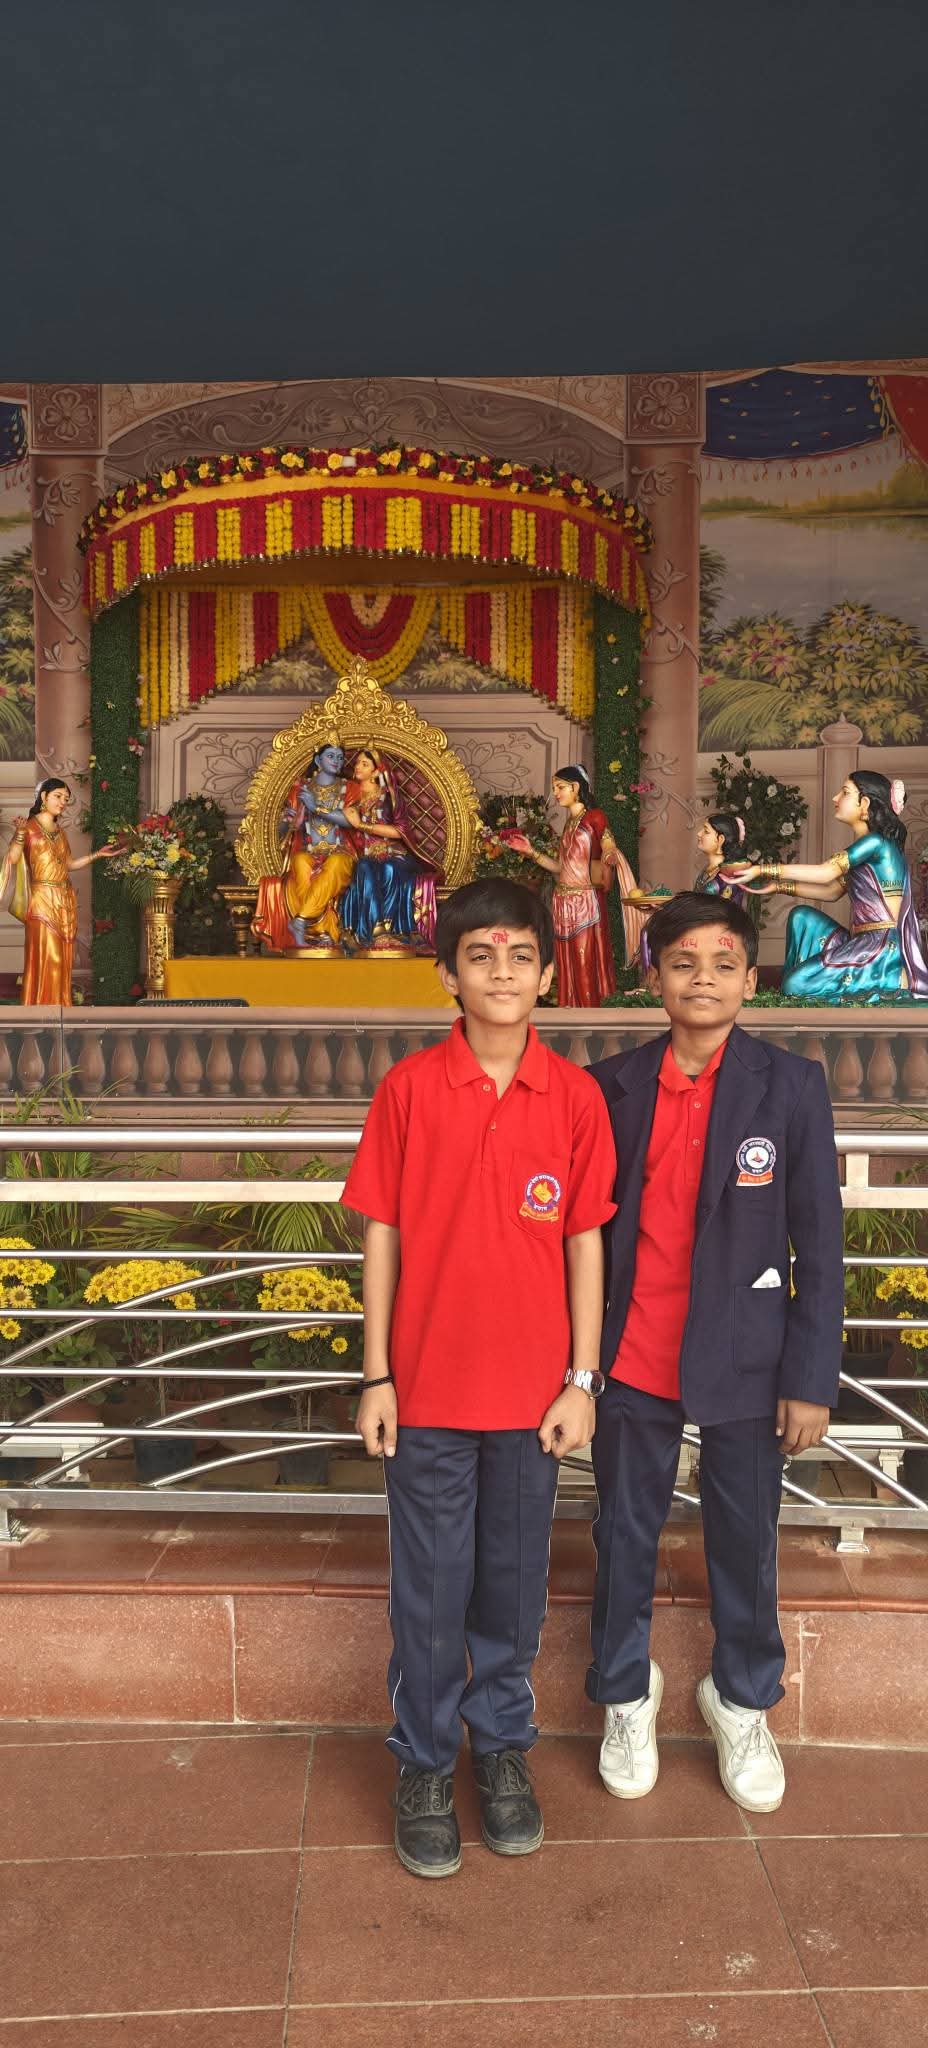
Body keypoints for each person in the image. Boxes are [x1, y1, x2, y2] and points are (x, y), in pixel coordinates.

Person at [341, 876, 617, 1877]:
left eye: (520, 955)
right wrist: (377, 1375)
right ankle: (422, 1762)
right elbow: (382, 1234)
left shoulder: (575, 1097)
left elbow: (585, 1242)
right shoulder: (410, 1090)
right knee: (428, 1592)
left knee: (510, 1588)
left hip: (533, 1401)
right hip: (425, 1395)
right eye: (480, 955)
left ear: (547, 974)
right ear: (448, 975)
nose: (502, 972)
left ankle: (500, 1749)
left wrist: (581, 1379)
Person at [587, 890, 843, 1814]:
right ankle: (625, 1693)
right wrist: (577, 1365)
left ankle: (741, 1700)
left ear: (750, 979)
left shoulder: (791, 1085)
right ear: (653, 975)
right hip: (631, 1353)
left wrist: (810, 1379)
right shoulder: (610, 1086)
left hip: (748, 1359)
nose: (703, 979)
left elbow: (819, 1242)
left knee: (745, 1538)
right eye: (684, 962)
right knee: (623, 1533)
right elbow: (583, 1233)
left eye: (724, 963)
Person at [728, 771, 928, 1002]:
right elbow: (832, 892)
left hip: (880, 946)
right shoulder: (870, 846)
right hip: (861, 941)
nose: (835, 798)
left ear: (864, 803)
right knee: (801, 916)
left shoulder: (875, 842)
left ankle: (892, 978)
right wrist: (778, 887)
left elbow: (826, 873)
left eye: (845, 792)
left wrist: (763, 869)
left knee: (795, 984)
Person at [505, 765, 636, 1003]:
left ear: (576, 787)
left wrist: (609, 853)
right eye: (554, 788)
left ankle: (589, 1019)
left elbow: (607, 841)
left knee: (585, 964)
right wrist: (531, 851)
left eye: (560, 787)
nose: (555, 793)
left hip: (586, 902)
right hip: (563, 902)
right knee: (567, 966)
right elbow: (560, 867)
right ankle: (570, 1013)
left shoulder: (595, 817)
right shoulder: (569, 824)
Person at [0, 779, 117, 1005]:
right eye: (58, 796)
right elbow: (12, 859)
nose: (63, 802)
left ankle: (60, 1010)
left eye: (66, 799)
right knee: (49, 957)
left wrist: (97, 855)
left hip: (64, 901)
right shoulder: (29, 828)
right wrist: (20, 833)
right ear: (43, 796)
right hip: (41, 901)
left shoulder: (60, 832)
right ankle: (44, 1012)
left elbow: (69, 864)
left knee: (63, 960)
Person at [252, 740, 356, 952]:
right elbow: (285, 829)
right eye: (330, 756)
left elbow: (350, 821)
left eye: (340, 757)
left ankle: (301, 922)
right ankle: (314, 930)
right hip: (308, 850)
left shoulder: (350, 788)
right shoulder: (301, 788)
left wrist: (315, 807)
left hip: (340, 850)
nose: (336, 761)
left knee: (336, 863)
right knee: (299, 862)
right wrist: (288, 820)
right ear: (318, 760)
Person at [339, 744, 439, 950]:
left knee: (388, 869)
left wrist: (361, 825)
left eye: (364, 764)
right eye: (357, 763)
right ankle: (377, 931)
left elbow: (399, 831)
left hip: (394, 855)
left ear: (376, 771)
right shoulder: (349, 796)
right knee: (364, 866)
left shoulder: (388, 796)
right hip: (364, 855)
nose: (357, 767)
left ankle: (393, 929)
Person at [695, 812, 750, 909]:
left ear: (720, 840)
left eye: (706, 831)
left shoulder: (728, 878)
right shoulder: (709, 869)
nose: (699, 834)